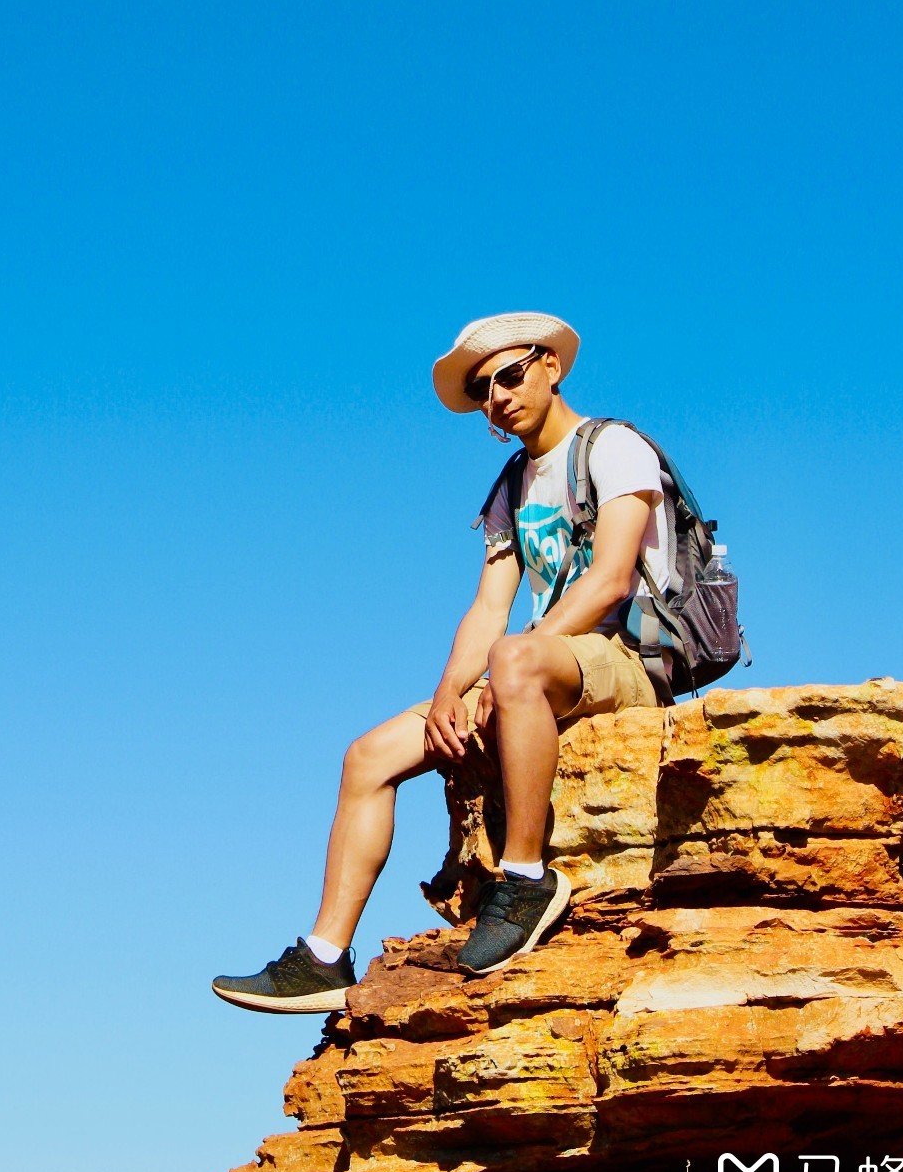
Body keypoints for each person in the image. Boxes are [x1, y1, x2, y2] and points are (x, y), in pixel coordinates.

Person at [212, 310, 671, 1013]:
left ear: (549, 366)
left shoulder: (613, 448)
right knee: (368, 756)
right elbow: (488, 607)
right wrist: (451, 691)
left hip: (629, 658)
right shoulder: (512, 486)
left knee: (514, 656)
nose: (499, 395)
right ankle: (324, 957)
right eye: (484, 388)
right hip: (541, 661)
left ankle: (524, 880)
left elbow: (609, 579)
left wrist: (504, 668)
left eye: (511, 375)